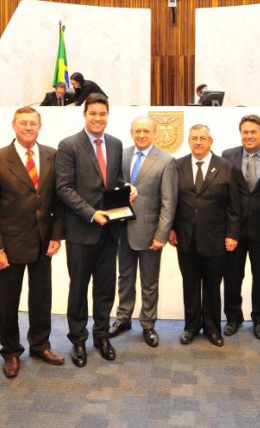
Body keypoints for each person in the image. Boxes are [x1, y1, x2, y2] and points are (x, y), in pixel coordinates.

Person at [0, 107, 66, 379]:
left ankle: (40, 345)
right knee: (8, 301)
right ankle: (11, 351)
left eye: (33, 123)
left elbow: (58, 202)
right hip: (8, 243)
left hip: (43, 242)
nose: (28, 127)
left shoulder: (53, 155)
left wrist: (56, 235)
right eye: (23, 123)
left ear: (39, 126)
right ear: (13, 125)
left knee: (42, 297)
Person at [55, 93, 129, 367]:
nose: (98, 118)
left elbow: (115, 180)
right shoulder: (69, 145)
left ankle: (101, 336)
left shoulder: (116, 144)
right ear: (84, 115)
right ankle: (78, 340)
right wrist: (90, 213)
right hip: (81, 232)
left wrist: (126, 190)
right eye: (93, 114)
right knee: (78, 290)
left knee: (106, 289)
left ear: (108, 115)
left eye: (103, 114)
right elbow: (63, 187)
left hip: (110, 231)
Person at [109, 116, 178, 347]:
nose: (141, 135)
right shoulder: (121, 156)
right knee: (124, 278)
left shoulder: (166, 161)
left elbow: (169, 202)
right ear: (131, 131)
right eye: (137, 130)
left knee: (149, 282)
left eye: (146, 131)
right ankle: (123, 318)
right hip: (122, 231)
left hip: (150, 235)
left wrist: (161, 235)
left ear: (155, 133)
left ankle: (148, 324)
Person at [170, 124, 239, 347]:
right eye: (194, 138)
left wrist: (232, 234)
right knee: (189, 285)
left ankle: (212, 328)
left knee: (212, 286)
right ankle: (191, 326)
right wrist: (170, 228)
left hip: (216, 238)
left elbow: (233, 206)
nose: (198, 142)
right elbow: (171, 201)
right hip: (186, 237)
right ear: (188, 141)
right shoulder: (177, 165)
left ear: (211, 141)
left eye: (202, 138)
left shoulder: (226, 167)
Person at [220, 115, 260, 340]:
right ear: (240, 133)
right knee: (233, 275)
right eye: (245, 132)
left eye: (253, 132)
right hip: (234, 229)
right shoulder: (228, 155)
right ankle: (233, 318)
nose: (249, 136)